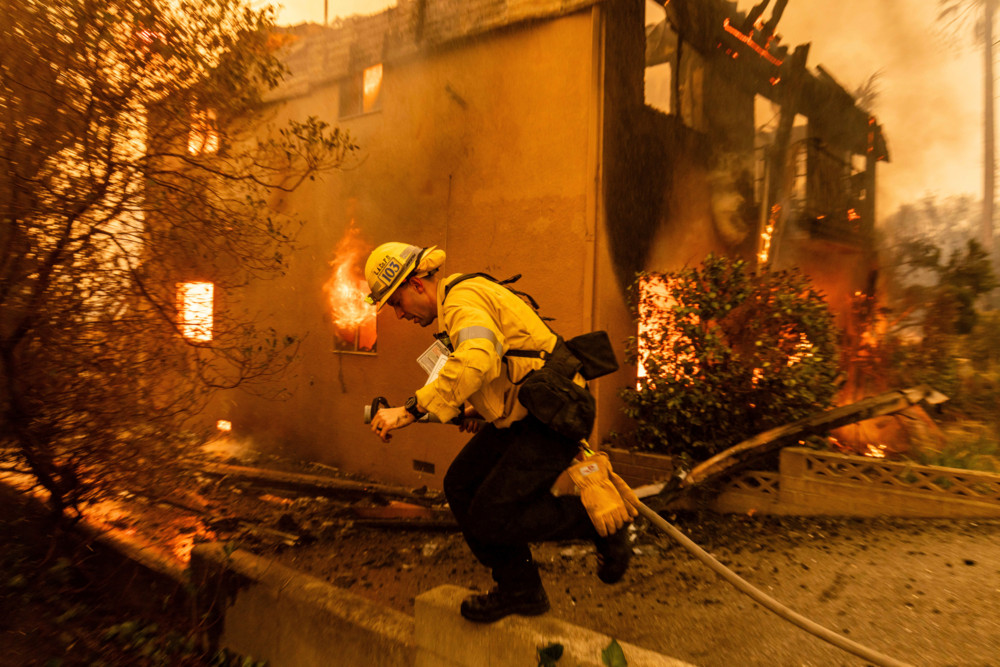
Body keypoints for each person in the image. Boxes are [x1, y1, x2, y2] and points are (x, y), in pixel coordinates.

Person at [364, 242, 632, 623]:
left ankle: (601, 525)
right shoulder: (459, 305)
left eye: (395, 302)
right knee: (461, 485)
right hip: (525, 414)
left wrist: (408, 411)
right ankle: (520, 589)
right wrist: (481, 409)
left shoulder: (460, 302)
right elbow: (500, 365)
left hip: (554, 414)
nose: (397, 313)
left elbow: (476, 358)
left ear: (417, 285)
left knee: (493, 513)